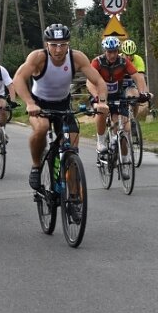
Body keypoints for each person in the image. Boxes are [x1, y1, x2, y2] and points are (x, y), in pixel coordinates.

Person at [13, 23, 109, 191]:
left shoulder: (77, 58)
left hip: (63, 104)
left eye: (63, 44)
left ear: (68, 44)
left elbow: (99, 81)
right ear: (46, 45)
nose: (58, 50)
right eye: (54, 45)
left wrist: (101, 101)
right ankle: (36, 166)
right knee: (41, 128)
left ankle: (74, 200)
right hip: (39, 105)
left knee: (71, 150)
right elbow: (18, 79)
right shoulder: (38, 58)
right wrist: (29, 103)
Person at [88, 36, 151, 164]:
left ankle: (125, 159)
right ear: (105, 51)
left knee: (123, 128)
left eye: (115, 51)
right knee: (101, 110)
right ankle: (100, 141)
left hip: (118, 94)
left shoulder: (123, 61)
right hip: (101, 94)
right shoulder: (97, 62)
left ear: (118, 51)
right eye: (109, 52)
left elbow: (137, 77)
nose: (112, 55)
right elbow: (89, 82)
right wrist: (97, 98)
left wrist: (143, 93)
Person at [120, 39, 149, 120]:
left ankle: (134, 121)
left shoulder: (138, 59)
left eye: (131, 55)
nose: (129, 57)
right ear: (123, 53)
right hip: (118, 83)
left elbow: (141, 77)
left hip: (131, 83)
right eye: (127, 55)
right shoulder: (118, 58)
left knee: (135, 99)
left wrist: (144, 92)